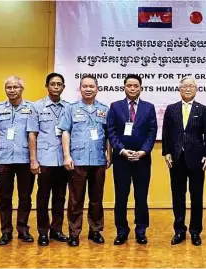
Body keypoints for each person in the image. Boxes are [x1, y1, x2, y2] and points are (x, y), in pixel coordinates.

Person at [59, 75, 111, 247]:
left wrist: (109, 154)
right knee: (75, 199)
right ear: (79, 89)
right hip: (77, 160)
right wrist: (67, 155)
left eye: (91, 86)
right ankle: (74, 233)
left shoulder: (104, 109)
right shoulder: (71, 109)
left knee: (96, 198)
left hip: (98, 160)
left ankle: (95, 231)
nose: (88, 89)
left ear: (97, 89)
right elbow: (65, 132)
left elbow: (109, 135)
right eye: (84, 86)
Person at [106, 74, 157, 245]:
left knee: (141, 197)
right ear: (124, 87)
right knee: (121, 196)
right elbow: (111, 131)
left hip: (142, 159)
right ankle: (121, 231)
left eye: (136, 85)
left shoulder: (149, 107)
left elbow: (152, 132)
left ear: (140, 87)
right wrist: (121, 150)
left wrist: (144, 151)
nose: (133, 88)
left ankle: (141, 230)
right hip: (122, 159)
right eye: (129, 85)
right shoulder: (115, 107)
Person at [162, 76, 206, 246]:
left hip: (197, 158)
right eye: (184, 86)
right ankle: (179, 230)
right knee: (178, 195)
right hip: (176, 158)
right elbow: (166, 133)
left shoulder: (203, 109)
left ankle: (195, 231)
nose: (188, 89)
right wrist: (166, 152)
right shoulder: (171, 109)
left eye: (191, 86)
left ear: (196, 89)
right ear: (179, 89)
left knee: (196, 195)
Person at [0, 76, 36, 246]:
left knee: (25, 197)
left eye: (16, 87)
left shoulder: (31, 108)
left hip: (25, 160)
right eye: (9, 87)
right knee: (5, 197)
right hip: (4, 159)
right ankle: (6, 232)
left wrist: (33, 159)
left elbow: (33, 134)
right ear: (5, 89)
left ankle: (23, 229)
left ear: (22, 89)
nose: (12, 90)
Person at [28, 73, 71, 246]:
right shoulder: (36, 107)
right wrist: (33, 160)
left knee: (60, 197)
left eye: (59, 84)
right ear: (46, 86)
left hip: (63, 159)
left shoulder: (69, 107)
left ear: (63, 87)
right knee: (43, 197)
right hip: (44, 159)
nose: (55, 87)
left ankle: (57, 230)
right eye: (52, 84)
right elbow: (32, 134)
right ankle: (43, 232)